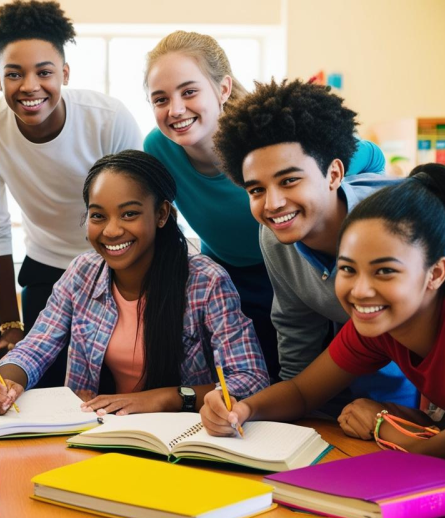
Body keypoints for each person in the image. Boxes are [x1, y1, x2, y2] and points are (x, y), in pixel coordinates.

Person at [143, 31, 387, 382]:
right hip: (232, 277)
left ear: (223, 89)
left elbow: (371, 156)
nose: (175, 109)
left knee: (327, 377)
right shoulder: (158, 148)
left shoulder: (265, 139)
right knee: (253, 381)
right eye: (160, 99)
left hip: (296, 265)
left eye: (189, 91)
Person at [0, 150, 269, 416]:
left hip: (185, 438)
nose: (112, 230)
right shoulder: (81, 273)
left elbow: (250, 379)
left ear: (161, 214)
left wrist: (163, 398)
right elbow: (35, 348)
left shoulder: (206, 281)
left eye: (129, 214)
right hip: (98, 431)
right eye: (98, 216)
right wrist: (6, 380)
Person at [202, 163, 445, 459]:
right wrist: (244, 409)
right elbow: (302, 392)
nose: (360, 290)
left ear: (435, 273)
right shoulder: (377, 328)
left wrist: (389, 430)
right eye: (347, 269)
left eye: (384, 271)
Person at [0, 0, 142, 384]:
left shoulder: (108, 118)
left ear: (64, 72)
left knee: (117, 383)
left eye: (44, 72)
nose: (30, 86)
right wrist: (11, 324)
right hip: (47, 269)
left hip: (122, 265)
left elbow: (141, 212)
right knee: (44, 385)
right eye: (14, 74)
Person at [212, 78, 417, 409]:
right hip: (356, 364)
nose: (273, 203)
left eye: (289, 180)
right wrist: (277, 411)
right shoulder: (275, 237)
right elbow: (296, 328)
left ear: (334, 175)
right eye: (256, 190)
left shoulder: (395, 219)